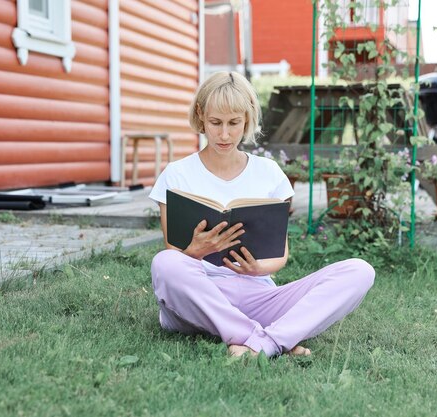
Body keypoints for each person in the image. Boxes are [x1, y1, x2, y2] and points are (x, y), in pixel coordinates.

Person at [149, 71, 375, 357]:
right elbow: (173, 250)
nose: (224, 134)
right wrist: (195, 251)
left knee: (359, 271)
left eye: (234, 123)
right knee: (165, 263)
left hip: (258, 295)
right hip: (198, 298)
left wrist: (259, 269)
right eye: (216, 123)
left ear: (248, 118)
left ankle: (262, 344)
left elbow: (280, 254)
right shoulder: (176, 174)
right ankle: (265, 336)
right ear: (201, 115)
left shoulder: (268, 173)